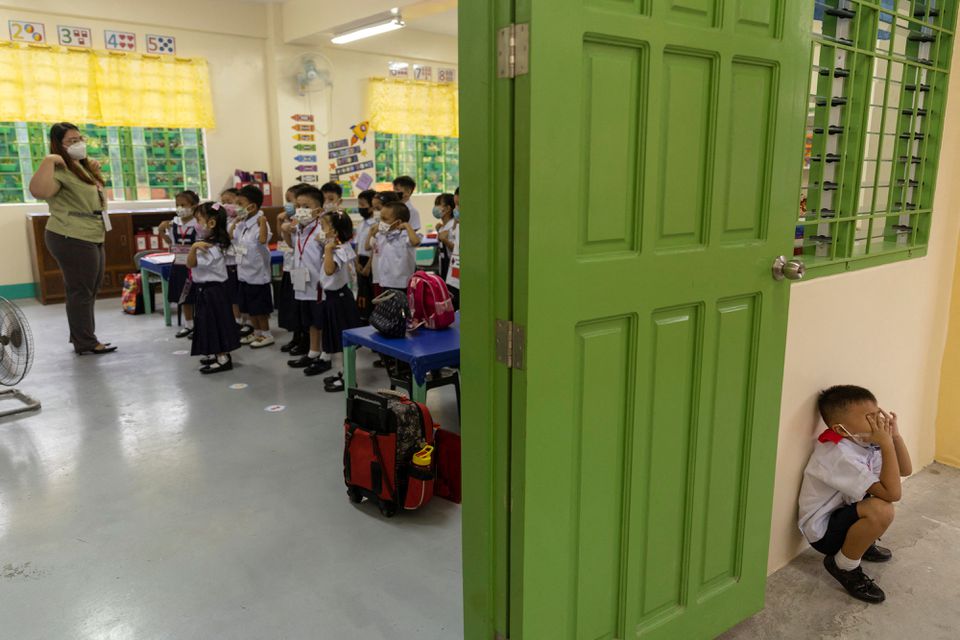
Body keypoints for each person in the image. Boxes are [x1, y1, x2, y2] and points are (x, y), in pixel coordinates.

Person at [798, 385, 913, 604]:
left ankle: (859, 542)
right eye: (869, 418)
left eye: (877, 414)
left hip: (845, 511)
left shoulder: (865, 444)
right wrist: (887, 443)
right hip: (823, 533)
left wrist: (894, 437)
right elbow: (893, 493)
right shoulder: (838, 455)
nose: (878, 422)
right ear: (841, 429)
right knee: (882, 508)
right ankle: (843, 565)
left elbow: (904, 470)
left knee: (878, 501)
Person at [27, 122, 115, 355]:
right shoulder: (57, 169)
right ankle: (85, 341)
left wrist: (93, 171)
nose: (78, 144)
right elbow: (38, 191)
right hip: (70, 235)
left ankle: (82, 336)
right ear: (58, 145)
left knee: (90, 288)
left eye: (79, 139)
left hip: (92, 232)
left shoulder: (81, 166)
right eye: (71, 141)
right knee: (80, 290)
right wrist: (48, 160)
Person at [187, 202, 241, 374]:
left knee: (216, 324)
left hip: (213, 291)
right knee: (207, 323)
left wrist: (194, 248)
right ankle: (215, 353)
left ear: (211, 223)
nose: (196, 223)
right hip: (206, 290)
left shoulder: (210, 246)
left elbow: (190, 263)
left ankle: (223, 357)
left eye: (198, 219)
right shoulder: (206, 242)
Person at [283, 187, 329, 375]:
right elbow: (292, 246)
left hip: (319, 284)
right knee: (310, 320)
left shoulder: (322, 229)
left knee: (321, 321)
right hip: (302, 281)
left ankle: (326, 355)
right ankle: (313, 352)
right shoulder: (300, 228)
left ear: (318, 210)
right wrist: (286, 230)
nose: (300, 210)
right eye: (298, 206)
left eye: (306, 206)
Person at [318, 210, 361, 392]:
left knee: (345, 342)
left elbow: (329, 270)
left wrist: (327, 250)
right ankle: (343, 372)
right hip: (333, 298)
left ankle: (349, 378)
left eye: (323, 227)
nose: (321, 230)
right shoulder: (337, 247)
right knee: (338, 339)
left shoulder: (339, 250)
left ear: (334, 232)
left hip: (341, 299)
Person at [231, 185, 274, 348]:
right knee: (249, 308)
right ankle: (256, 333)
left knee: (259, 309)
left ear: (253, 206)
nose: (237, 208)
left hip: (258, 276)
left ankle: (266, 334)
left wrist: (262, 222)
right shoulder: (243, 224)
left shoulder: (260, 223)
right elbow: (231, 236)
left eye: (240, 204)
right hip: (244, 274)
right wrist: (235, 221)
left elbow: (263, 240)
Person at [159, 190, 201, 339]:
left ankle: (200, 324)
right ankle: (188, 324)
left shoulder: (198, 223)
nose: (180, 208)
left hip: (195, 265)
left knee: (196, 295)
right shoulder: (174, 223)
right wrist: (162, 231)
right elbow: (171, 242)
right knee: (183, 297)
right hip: (178, 263)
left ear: (194, 206)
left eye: (184, 205)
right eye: (177, 205)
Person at [277, 184, 311, 353]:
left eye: (291, 201)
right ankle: (296, 337)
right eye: (292, 203)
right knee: (293, 306)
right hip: (292, 268)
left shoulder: (306, 223)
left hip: (304, 271)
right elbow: (289, 244)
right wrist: (284, 226)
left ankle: (306, 340)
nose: (289, 206)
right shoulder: (293, 222)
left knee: (303, 307)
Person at [367, 201, 421, 294]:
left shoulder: (405, 236)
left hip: (402, 284)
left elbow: (416, 242)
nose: (381, 223)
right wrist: (372, 232)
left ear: (398, 222)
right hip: (384, 282)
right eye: (380, 219)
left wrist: (407, 226)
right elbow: (368, 246)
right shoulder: (382, 235)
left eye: (384, 219)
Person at [354, 189, 377, 324]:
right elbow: (357, 245)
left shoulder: (374, 225)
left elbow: (374, 248)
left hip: (370, 262)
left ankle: (371, 319)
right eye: (359, 204)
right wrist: (356, 262)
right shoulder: (361, 224)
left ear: (372, 207)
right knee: (361, 292)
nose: (360, 208)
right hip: (360, 260)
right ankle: (362, 319)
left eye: (363, 205)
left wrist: (368, 265)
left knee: (370, 293)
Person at [433, 193, 457, 280]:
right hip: (442, 266)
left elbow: (456, 249)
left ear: (448, 209)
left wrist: (445, 240)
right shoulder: (443, 227)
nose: (435, 207)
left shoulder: (453, 226)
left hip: (452, 266)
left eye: (438, 204)